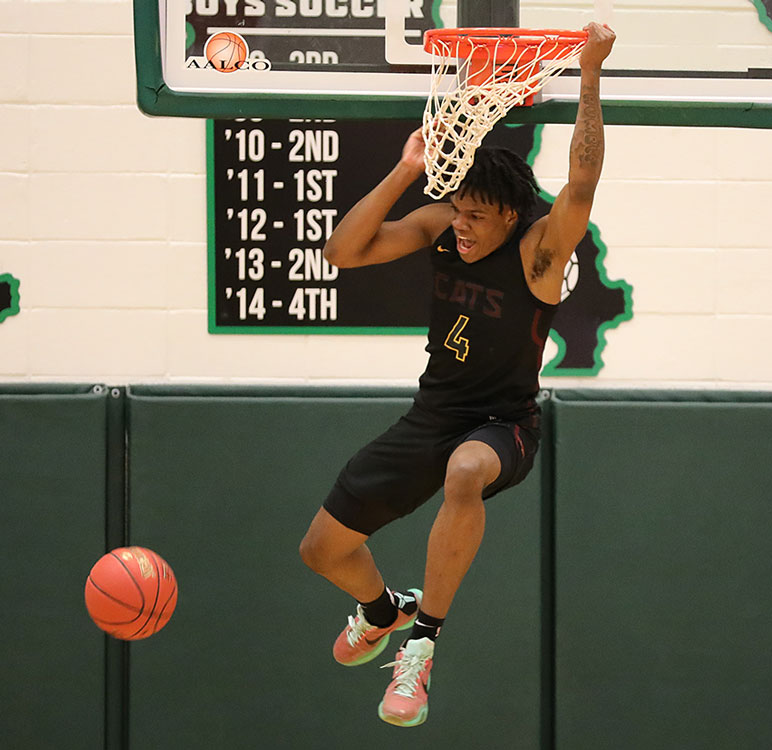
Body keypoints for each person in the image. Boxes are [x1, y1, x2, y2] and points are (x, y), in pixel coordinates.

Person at [299, 22, 616, 728]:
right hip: (431, 415)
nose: (462, 227)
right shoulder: (443, 223)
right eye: (459, 212)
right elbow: (343, 252)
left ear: (510, 213)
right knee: (321, 549)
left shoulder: (538, 251)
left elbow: (584, 181)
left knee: (466, 471)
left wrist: (589, 75)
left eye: (477, 217)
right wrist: (408, 169)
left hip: (504, 426)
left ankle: (422, 648)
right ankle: (384, 610)